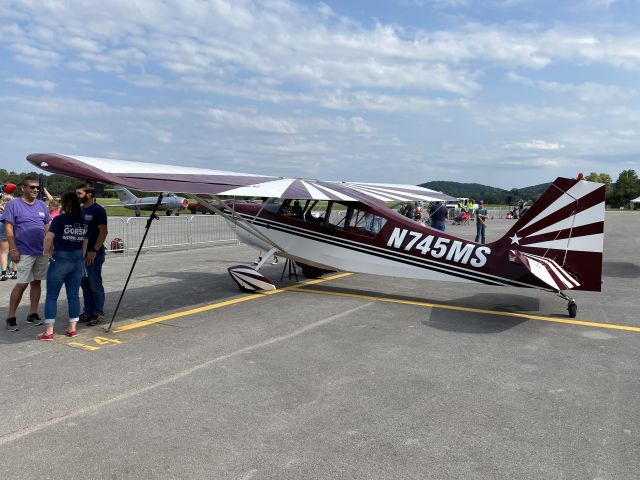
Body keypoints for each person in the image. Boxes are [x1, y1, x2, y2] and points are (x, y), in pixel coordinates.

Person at [37, 192, 88, 340]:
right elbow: (85, 242)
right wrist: (82, 257)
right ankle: (72, 329)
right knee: (73, 295)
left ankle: (49, 332)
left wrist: (46, 252)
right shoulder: (83, 221)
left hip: (61, 258)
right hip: (77, 258)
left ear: (65, 204)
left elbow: (48, 237)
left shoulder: (60, 219)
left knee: (52, 296)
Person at [2, 176, 51, 331]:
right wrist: (14, 249)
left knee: (36, 282)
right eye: (31, 187)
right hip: (23, 252)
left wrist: (49, 247)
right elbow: (8, 229)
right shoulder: (13, 204)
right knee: (22, 284)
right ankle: (11, 316)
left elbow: (47, 227)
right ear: (23, 188)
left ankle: (33, 314)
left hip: (41, 251)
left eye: (37, 188)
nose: (35, 190)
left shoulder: (42, 205)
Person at [76, 183, 108, 326]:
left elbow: (103, 232)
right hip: (82, 254)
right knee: (84, 283)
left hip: (93, 253)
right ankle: (87, 311)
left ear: (89, 195)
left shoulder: (98, 210)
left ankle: (98, 313)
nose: (77, 196)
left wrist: (94, 250)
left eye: (79, 193)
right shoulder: (81, 210)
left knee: (94, 283)